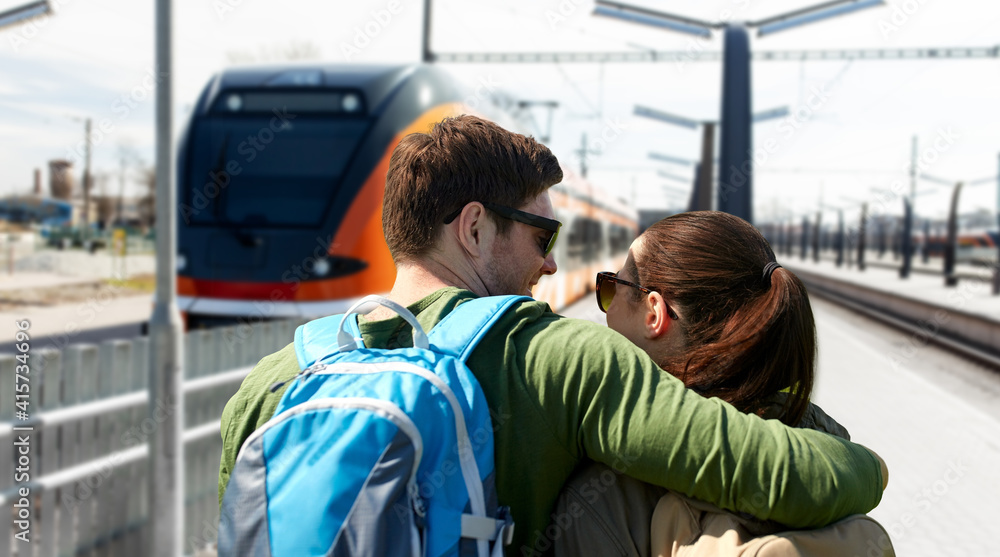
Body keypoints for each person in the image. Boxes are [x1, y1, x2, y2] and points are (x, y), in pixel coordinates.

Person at [217, 115, 887, 555]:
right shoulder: (560, 357)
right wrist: (872, 468)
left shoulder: (270, 382)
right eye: (542, 236)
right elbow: (776, 473)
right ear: (474, 229)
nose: (549, 263)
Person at [554, 211, 892, 556]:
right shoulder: (827, 448)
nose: (605, 308)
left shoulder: (603, 495)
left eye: (612, 287)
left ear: (654, 313)